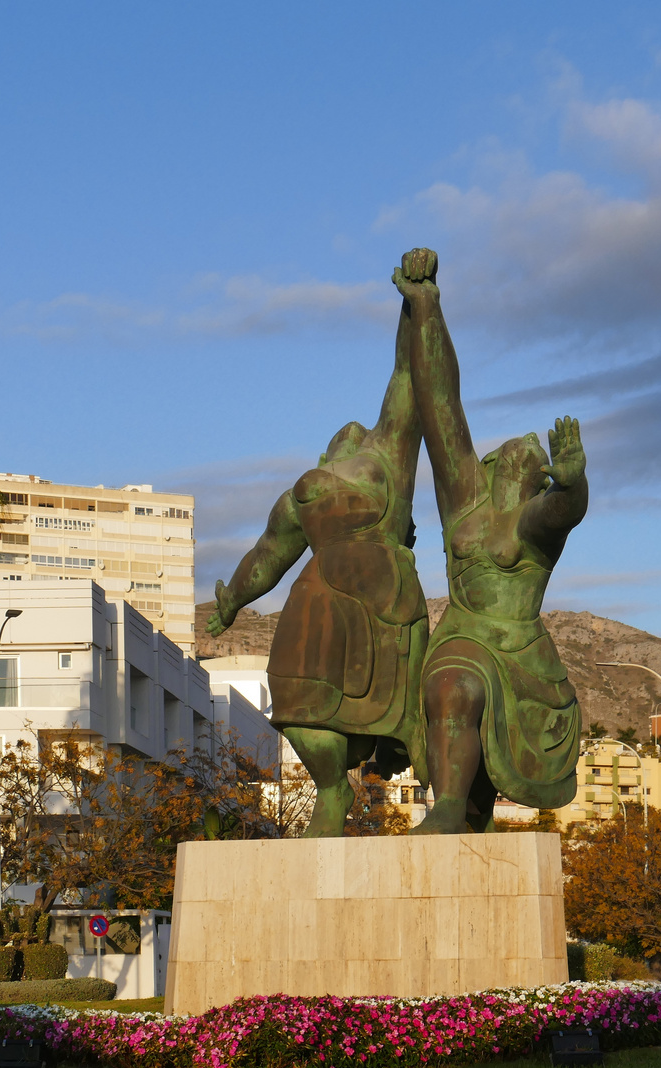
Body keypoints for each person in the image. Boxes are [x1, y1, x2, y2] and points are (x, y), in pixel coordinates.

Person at [206, 288, 426, 837]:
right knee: (294, 698)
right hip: (319, 592)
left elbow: (406, 376)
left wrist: (416, 304)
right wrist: (231, 600)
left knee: (412, 710)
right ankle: (333, 789)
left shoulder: (388, 453)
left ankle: (446, 793)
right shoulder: (301, 494)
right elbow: (268, 553)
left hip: (382, 591)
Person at [392, 247, 589, 834]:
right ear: (497, 464)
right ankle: (448, 805)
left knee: (473, 740)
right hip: (463, 638)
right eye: (515, 449)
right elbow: (440, 404)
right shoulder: (467, 507)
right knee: (455, 685)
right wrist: (427, 306)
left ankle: (466, 812)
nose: (524, 447)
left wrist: (575, 482)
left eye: (537, 457)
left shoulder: (532, 525)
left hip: (520, 651)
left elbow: (564, 512)